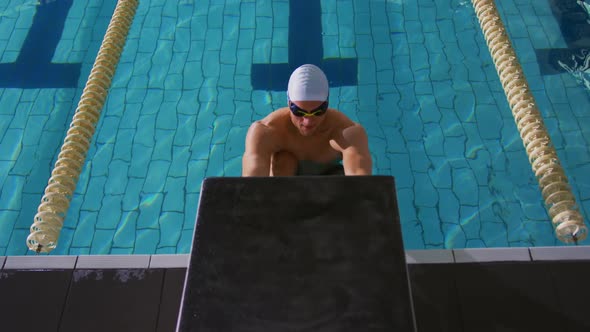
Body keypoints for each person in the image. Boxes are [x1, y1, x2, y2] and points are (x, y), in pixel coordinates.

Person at [242, 64, 372, 176]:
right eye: (299, 112)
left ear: (327, 103)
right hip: (284, 185)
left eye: (318, 111)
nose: (308, 121)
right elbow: (252, 184)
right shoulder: (266, 131)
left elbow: (361, 184)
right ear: (288, 103)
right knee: (284, 161)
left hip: (329, 181)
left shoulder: (346, 132)